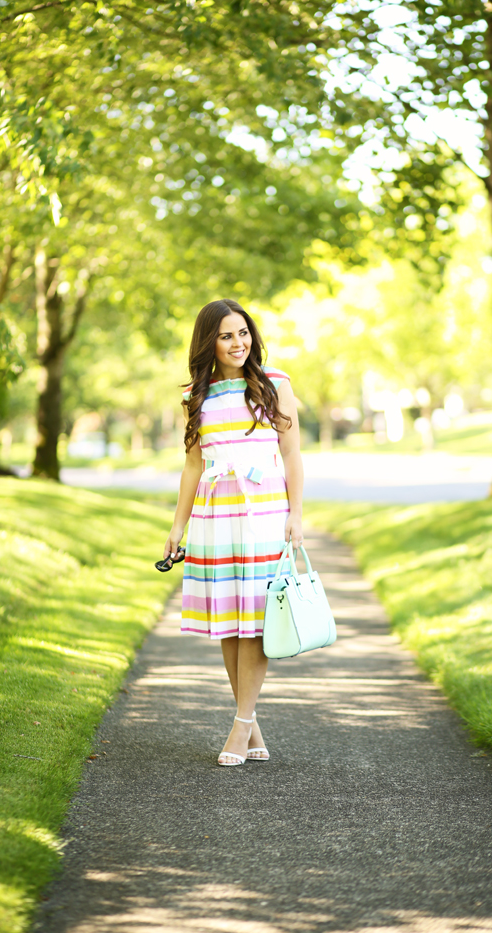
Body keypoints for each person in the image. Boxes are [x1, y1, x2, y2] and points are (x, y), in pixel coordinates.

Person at [163, 298, 303, 766]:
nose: (237, 343)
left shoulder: (275, 384)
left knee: (257, 623)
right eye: (226, 336)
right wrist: (177, 526)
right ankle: (251, 722)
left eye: (243, 333)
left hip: (264, 512)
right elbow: (192, 464)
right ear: (210, 342)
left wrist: (296, 514)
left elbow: (292, 456)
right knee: (230, 621)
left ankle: (240, 726)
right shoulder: (195, 396)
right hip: (215, 515)